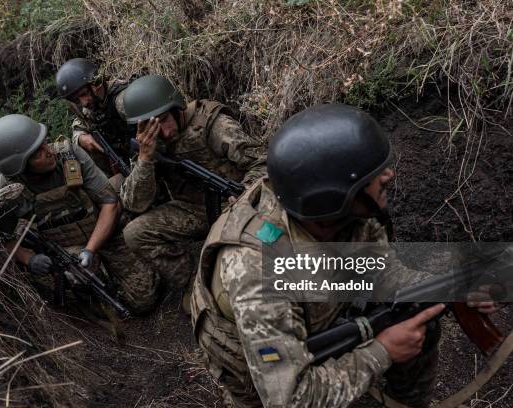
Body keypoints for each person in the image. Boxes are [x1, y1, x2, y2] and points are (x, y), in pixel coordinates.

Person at [190, 104, 501, 407]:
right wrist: (383, 352)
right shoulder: (257, 271)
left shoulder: (349, 214)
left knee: (419, 318)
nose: (388, 175)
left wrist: (448, 289)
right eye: (372, 175)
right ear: (334, 196)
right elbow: (290, 398)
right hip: (257, 365)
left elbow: (381, 273)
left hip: (314, 314)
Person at [0, 114, 158, 314]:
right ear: (20, 166)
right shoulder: (6, 192)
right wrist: (28, 259)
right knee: (86, 289)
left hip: (104, 233)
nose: (49, 151)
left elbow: (110, 204)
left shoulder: (70, 156)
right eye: (37, 153)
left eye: (45, 143)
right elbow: (0, 238)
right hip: (68, 248)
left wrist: (90, 250)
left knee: (144, 301)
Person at [119, 74, 266, 300]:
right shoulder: (149, 144)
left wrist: (246, 194)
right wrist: (145, 159)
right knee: (135, 232)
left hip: (236, 202)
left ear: (177, 106)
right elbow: (134, 203)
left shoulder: (211, 124)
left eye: (165, 119)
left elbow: (262, 162)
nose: (165, 132)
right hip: (193, 209)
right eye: (154, 126)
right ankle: (193, 284)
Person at [56, 57, 134, 185]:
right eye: (76, 100)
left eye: (84, 94)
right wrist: (80, 137)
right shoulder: (93, 106)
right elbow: (78, 124)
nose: (84, 103)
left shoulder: (122, 100)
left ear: (96, 83)